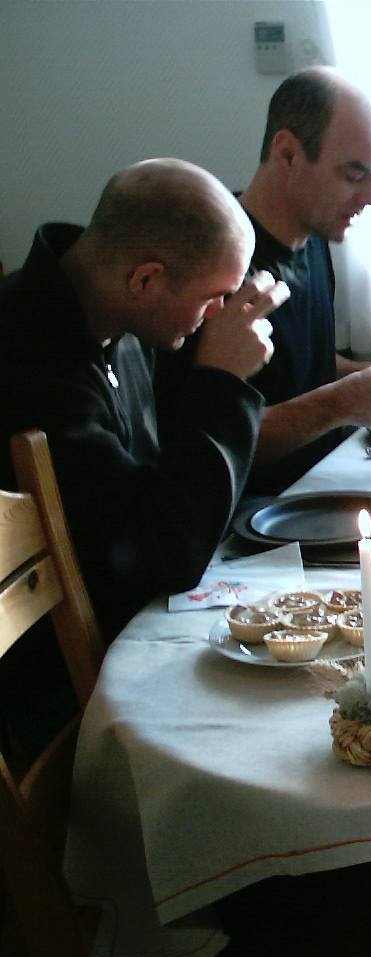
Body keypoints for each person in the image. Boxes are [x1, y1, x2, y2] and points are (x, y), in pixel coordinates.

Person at [0, 158, 286, 754]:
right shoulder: (31, 367)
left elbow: (160, 488)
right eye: (214, 297)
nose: (218, 314)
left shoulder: (111, 318)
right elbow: (160, 553)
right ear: (146, 280)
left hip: (131, 626)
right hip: (55, 691)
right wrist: (223, 381)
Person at [159, 67, 371, 495]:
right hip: (246, 527)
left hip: (315, 491)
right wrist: (344, 402)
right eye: (353, 175)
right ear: (287, 153)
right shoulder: (216, 264)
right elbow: (215, 437)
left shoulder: (313, 237)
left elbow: (300, 368)